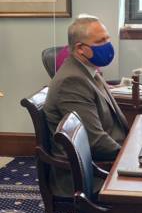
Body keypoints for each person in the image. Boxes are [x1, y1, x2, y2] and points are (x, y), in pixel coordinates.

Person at [44, 14, 128, 164]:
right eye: (100, 41)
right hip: (92, 170)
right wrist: (131, 155)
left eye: (107, 38)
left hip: (108, 155)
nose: (108, 44)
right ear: (80, 49)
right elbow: (94, 141)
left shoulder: (89, 70)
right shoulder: (71, 81)